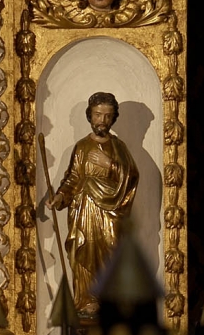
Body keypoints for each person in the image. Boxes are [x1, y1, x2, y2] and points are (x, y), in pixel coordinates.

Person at [48, 92, 138, 317]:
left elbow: (132, 176)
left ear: (113, 118)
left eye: (108, 116)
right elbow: (72, 178)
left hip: (111, 213)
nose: (102, 121)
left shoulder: (119, 148)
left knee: (111, 250)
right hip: (84, 210)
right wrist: (61, 196)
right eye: (98, 115)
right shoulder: (82, 147)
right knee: (84, 252)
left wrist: (110, 165)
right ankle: (87, 300)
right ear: (90, 116)